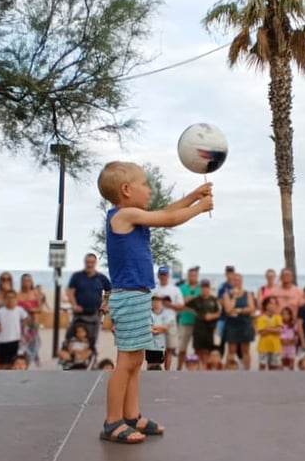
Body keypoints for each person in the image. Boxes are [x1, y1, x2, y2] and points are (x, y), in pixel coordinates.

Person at [97, 161, 212, 443]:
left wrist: (194, 195)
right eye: (145, 184)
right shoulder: (122, 216)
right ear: (126, 190)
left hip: (138, 297)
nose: (149, 190)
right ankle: (112, 422)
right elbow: (170, 220)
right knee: (126, 362)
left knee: (136, 361)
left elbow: (166, 212)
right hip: (129, 297)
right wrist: (199, 209)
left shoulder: (132, 215)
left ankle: (132, 416)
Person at [65, 254, 112, 354]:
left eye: (92, 262)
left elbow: (111, 291)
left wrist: (105, 304)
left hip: (94, 314)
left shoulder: (101, 278)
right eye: (88, 262)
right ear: (85, 262)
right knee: (72, 337)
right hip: (79, 313)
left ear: (95, 263)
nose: (89, 264)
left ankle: (90, 359)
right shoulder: (77, 276)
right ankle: (72, 358)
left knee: (92, 340)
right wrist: (74, 305)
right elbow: (70, 291)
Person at [0, 289, 30, 369]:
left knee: (14, 364)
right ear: (5, 299)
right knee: (3, 365)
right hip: (3, 341)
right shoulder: (0, 311)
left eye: (13, 297)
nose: (11, 300)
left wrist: (21, 324)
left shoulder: (19, 310)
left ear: (16, 299)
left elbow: (27, 318)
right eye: (8, 297)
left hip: (16, 341)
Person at [183, 278, 222, 368]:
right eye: (203, 287)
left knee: (208, 351)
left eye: (206, 287)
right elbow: (184, 306)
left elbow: (219, 313)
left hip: (210, 329)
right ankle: (198, 368)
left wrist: (212, 316)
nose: (205, 289)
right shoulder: (196, 299)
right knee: (198, 351)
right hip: (198, 329)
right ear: (200, 288)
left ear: (209, 288)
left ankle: (206, 369)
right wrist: (188, 299)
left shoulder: (214, 300)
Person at [152, 266, 184, 370]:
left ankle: (167, 371)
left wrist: (169, 305)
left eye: (165, 274)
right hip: (156, 321)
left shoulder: (175, 290)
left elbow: (181, 306)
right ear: (158, 275)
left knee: (169, 349)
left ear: (168, 275)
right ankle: (155, 369)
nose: (163, 276)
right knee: (155, 349)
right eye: (161, 274)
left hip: (170, 322)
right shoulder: (154, 289)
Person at [222, 273, 255, 371]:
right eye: (234, 280)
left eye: (238, 280)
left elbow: (252, 308)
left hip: (245, 324)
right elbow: (228, 309)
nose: (236, 282)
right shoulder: (227, 295)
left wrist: (240, 310)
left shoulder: (247, 293)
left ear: (242, 281)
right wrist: (235, 297)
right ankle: (230, 370)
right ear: (231, 281)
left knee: (245, 350)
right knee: (231, 350)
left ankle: (246, 371)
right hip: (232, 325)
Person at [177, 266, 201, 369]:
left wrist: (188, 301)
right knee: (182, 348)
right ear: (187, 276)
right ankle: (179, 368)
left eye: (194, 275)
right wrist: (190, 302)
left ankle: (197, 369)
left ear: (197, 276)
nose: (192, 277)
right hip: (184, 321)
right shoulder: (182, 288)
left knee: (198, 348)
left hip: (198, 323)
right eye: (190, 275)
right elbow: (179, 304)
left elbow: (202, 304)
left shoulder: (201, 288)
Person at [256, 296, 282, 371]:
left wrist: (267, 328)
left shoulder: (278, 317)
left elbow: (279, 330)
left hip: (275, 347)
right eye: (271, 303)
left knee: (274, 368)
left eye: (275, 304)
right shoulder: (260, 318)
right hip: (263, 347)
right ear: (266, 305)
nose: (274, 305)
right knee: (262, 366)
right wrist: (274, 328)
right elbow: (261, 332)